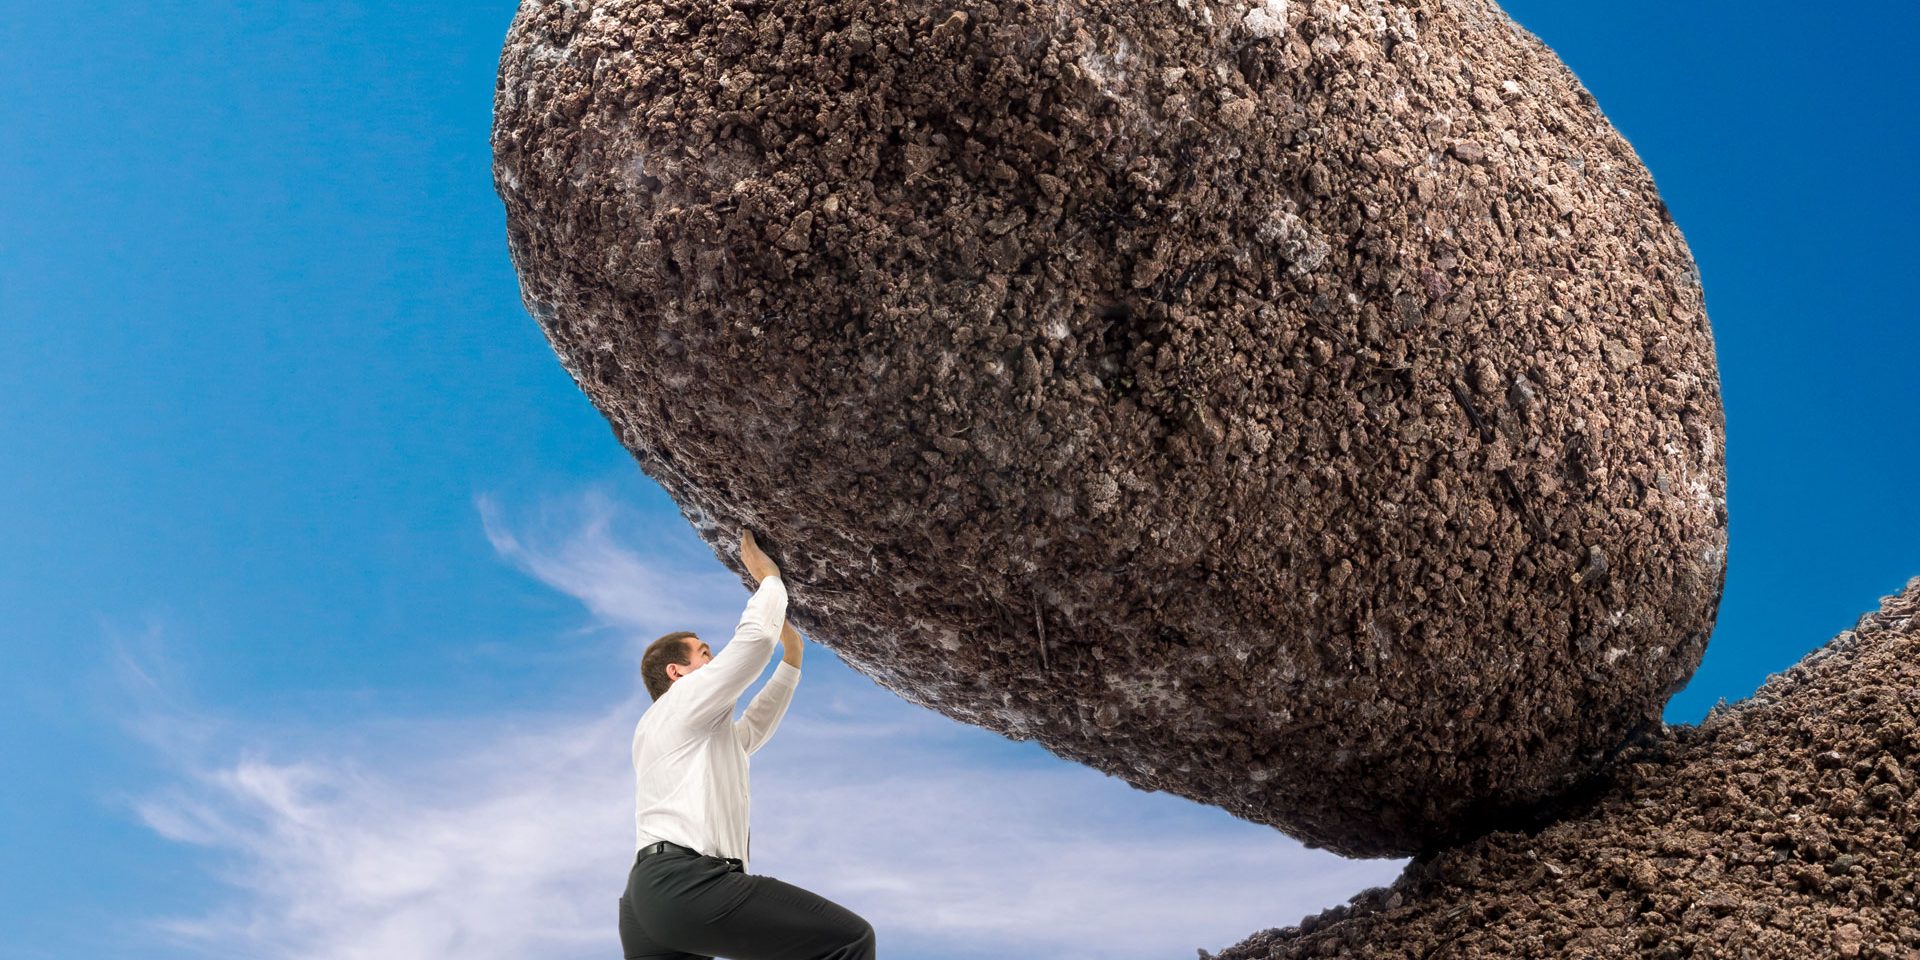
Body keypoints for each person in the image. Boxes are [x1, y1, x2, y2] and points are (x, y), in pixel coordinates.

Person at [617, 528, 877, 960]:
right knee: (849, 939)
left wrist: (792, 659)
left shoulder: (674, 730)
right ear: (676, 673)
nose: (715, 659)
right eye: (704, 653)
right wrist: (769, 581)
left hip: (646, 899)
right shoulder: (682, 700)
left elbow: (750, 730)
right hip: (686, 885)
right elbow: (753, 642)